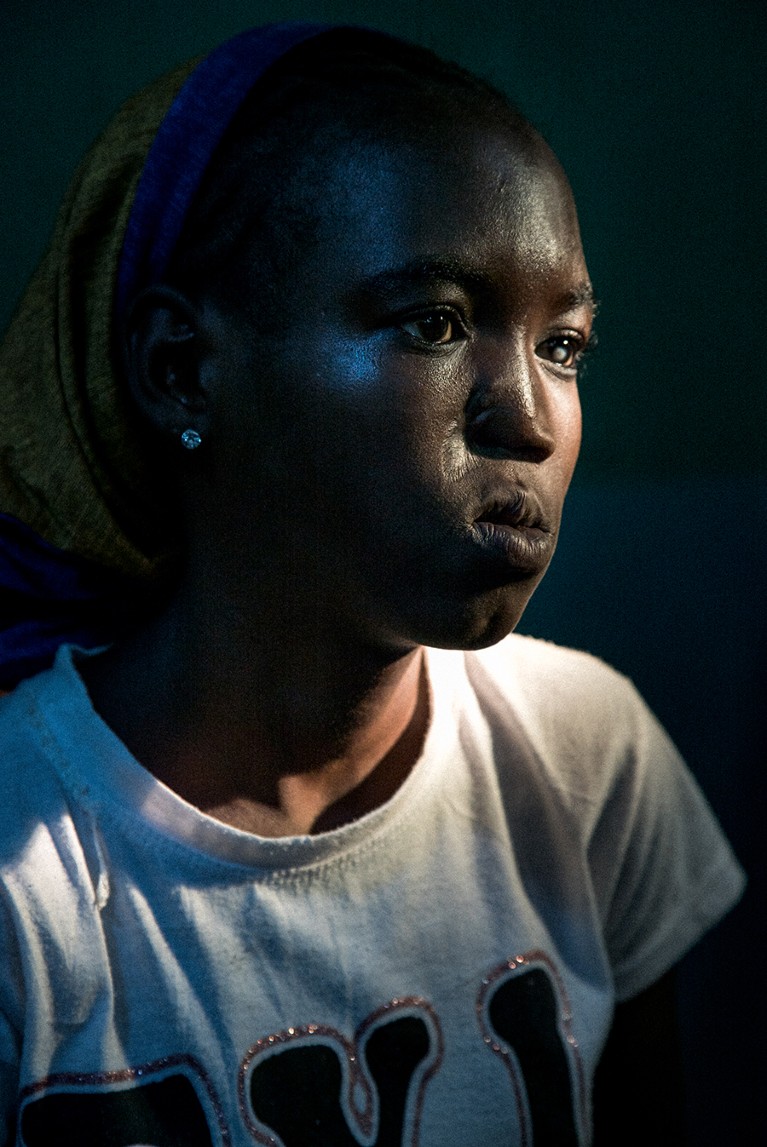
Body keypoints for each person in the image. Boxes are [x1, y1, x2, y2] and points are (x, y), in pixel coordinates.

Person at [0, 21, 744, 1147]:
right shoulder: (31, 871)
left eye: (564, 346)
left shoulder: (586, 759)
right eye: (434, 323)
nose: (527, 418)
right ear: (183, 370)